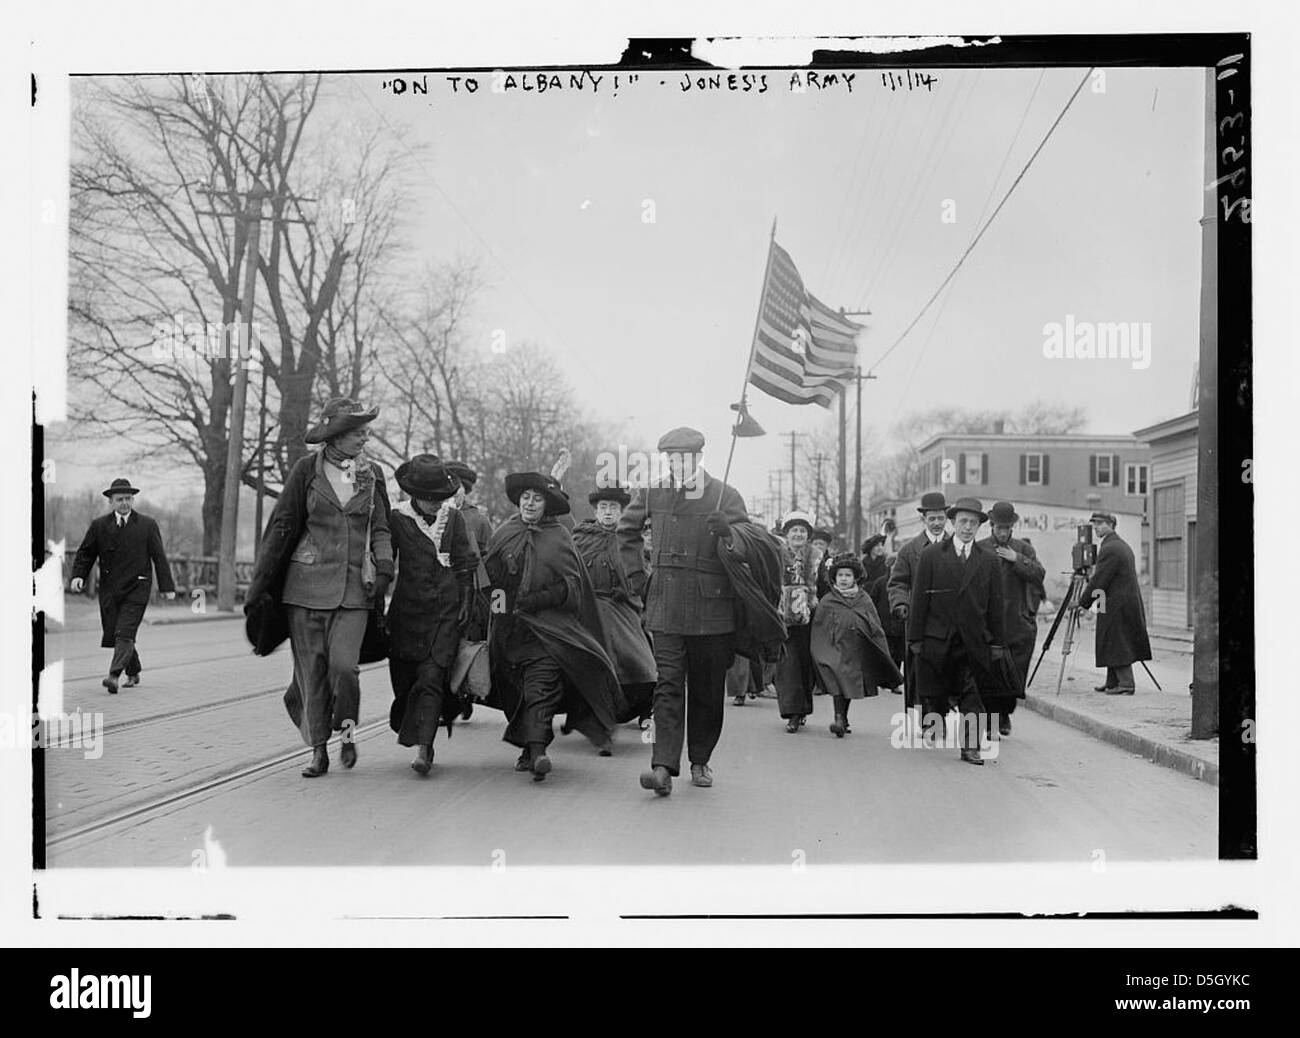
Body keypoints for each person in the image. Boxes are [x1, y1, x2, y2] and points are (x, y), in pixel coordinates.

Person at [617, 426, 783, 796]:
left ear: (698, 458)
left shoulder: (724, 494)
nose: (677, 464)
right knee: (668, 686)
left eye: (685, 458)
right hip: (665, 607)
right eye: (671, 458)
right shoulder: (652, 491)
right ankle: (662, 767)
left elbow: (754, 545)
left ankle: (700, 759)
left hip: (713, 610)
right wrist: (636, 578)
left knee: (708, 690)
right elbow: (626, 533)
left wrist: (729, 532)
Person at [245, 398, 393, 778]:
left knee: (345, 668)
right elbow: (282, 525)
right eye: (358, 432)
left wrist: (386, 565)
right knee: (311, 672)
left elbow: (381, 527)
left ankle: (345, 730)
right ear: (337, 436)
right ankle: (318, 750)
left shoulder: (371, 474)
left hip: (355, 590)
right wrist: (260, 584)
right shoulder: (305, 471)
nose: (365, 437)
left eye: (364, 431)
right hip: (304, 590)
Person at [482, 472, 627, 781]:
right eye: (525, 498)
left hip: (549, 630)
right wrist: (500, 608)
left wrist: (536, 600)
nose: (530, 503)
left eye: (537, 498)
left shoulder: (559, 536)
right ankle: (528, 749)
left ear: (546, 504)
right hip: (509, 631)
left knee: (541, 687)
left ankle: (538, 752)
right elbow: (488, 579)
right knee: (517, 692)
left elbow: (572, 588)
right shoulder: (504, 533)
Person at [385, 455, 477, 776]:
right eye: (430, 499)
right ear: (414, 494)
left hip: (445, 614)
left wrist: (466, 600)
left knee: (432, 676)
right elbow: (384, 558)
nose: (436, 505)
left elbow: (466, 563)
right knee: (407, 679)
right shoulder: (397, 518)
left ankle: (425, 746)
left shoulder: (454, 519)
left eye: (441, 498)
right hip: (406, 616)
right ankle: (418, 731)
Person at [907, 497, 1007, 766]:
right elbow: (919, 600)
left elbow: (996, 605)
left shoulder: (988, 560)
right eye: (963, 521)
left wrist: (997, 643)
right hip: (938, 639)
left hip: (974, 641)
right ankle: (935, 716)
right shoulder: (931, 556)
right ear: (952, 522)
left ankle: (971, 747)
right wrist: (915, 638)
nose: (967, 527)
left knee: (972, 694)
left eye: (973, 523)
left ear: (979, 527)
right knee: (937, 692)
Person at [70, 477, 177, 693]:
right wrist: (78, 575)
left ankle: (113, 675)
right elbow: (85, 553)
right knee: (116, 631)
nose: (125, 503)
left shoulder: (147, 525)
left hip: (138, 587)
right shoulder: (99, 526)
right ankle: (134, 670)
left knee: (125, 631)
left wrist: (167, 587)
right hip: (110, 589)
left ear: (133, 500)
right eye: (120, 499)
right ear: (111, 501)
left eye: (128, 499)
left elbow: (159, 556)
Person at [571, 484, 657, 744]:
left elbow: (642, 576)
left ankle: (644, 706)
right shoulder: (580, 538)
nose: (608, 513)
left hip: (623, 608)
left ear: (622, 512)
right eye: (603, 508)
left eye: (614, 508)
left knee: (640, 660)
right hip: (587, 609)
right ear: (596, 511)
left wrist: (631, 591)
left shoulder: (631, 541)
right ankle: (592, 714)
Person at [812, 553, 904, 737]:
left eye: (848, 575)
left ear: (855, 578)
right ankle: (838, 718)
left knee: (848, 685)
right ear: (834, 578)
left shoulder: (864, 599)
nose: (844, 579)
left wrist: (877, 644)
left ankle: (843, 718)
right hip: (834, 648)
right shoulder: (828, 600)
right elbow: (819, 628)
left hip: (856, 649)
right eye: (840, 575)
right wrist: (821, 650)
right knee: (838, 682)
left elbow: (874, 624)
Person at [976, 501, 1046, 736]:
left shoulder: (1023, 549)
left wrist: (1016, 558)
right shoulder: (981, 548)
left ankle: (1005, 713)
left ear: (1012, 528)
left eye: (1007, 528)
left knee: (1015, 673)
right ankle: (992, 719)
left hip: (1017, 622)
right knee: (990, 673)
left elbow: (1038, 575)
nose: (1003, 532)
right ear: (991, 526)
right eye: (999, 528)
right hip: (988, 622)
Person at [886, 492, 950, 715]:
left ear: (946, 519)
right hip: (920, 619)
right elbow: (897, 582)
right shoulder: (910, 550)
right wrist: (901, 603)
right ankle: (926, 714)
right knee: (922, 667)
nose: (936, 523)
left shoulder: (956, 547)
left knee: (948, 666)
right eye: (932, 519)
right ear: (924, 520)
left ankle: (941, 710)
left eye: (940, 518)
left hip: (950, 619)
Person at [1080, 511, 1152, 695]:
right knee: (1110, 639)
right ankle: (1112, 682)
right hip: (1114, 601)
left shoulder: (1111, 548)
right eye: (1094, 524)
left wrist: (1083, 602)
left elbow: (1100, 580)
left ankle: (1126, 684)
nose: (1096, 527)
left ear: (1111, 525)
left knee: (1117, 641)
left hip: (1117, 604)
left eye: (1100, 524)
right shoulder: (1118, 545)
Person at [446, 460, 494, 720]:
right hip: (443, 592)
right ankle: (451, 698)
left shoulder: (478, 519)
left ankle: (464, 697)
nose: (454, 493)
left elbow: (491, 558)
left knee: (468, 646)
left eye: (459, 488)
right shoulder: (435, 515)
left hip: (474, 593)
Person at [776, 511, 820, 733]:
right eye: (794, 530)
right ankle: (792, 713)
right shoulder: (777, 555)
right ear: (786, 533)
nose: (798, 534)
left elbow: (825, 583)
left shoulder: (817, 556)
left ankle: (802, 710)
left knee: (806, 663)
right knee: (789, 663)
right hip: (784, 616)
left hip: (811, 616)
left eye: (802, 531)